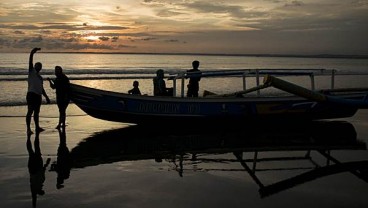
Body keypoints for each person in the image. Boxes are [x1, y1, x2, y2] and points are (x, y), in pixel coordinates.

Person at [26, 48, 50, 135]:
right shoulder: (31, 72)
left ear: (41, 68)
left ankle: (37, 127)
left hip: (38, 96)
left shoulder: (40, 77)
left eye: (40, 66)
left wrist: (46, 97)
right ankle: (28, 129)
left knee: (36, 113)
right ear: (35, 66)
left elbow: (41, 89)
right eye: (37, 65)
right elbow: (30, 62)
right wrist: (32, 52)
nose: (38, 67)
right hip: (31, 94)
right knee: (30, 111)